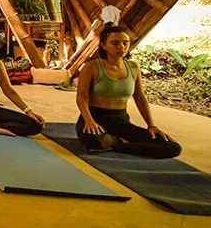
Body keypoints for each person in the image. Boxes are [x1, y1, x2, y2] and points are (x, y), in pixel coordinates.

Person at [75, 24, 180, 158]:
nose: (121, 47)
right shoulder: (92, 67)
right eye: (115, 43)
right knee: (93, 140)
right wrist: (89, 120)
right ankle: (115, 142)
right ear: (103, 45)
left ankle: (116, 144)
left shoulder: (134, 67)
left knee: (172, 147)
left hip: (121, 120)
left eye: (125, 43)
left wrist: (151, 126)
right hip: (95, 117)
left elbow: (140, 98)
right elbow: (82, 97)